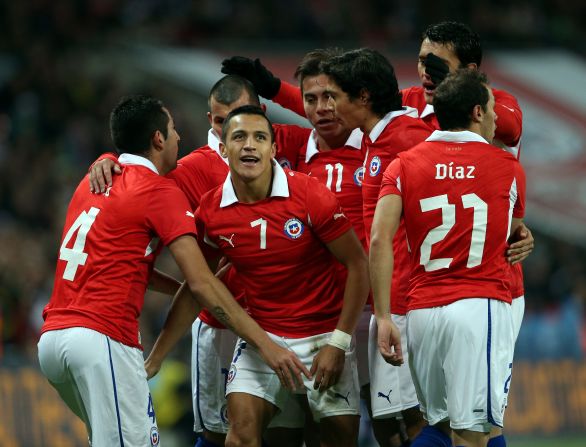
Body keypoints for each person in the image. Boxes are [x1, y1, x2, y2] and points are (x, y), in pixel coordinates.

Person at [37, 95, 308, 447]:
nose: (180, 137)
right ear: (158, 139)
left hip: (52, 341)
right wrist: (266, 346)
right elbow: (202, 283)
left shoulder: (92, 183)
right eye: (174, 129)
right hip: (101, 339)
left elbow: (125, 262)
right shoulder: (159, 190)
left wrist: (182, 287)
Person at [146, 105, 370, 447]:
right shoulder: (212, 210)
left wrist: (338, 342)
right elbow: (199, 284)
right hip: (261, 337)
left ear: (273, 149)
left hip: (322, 336)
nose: (250, 145)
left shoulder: (310, 195)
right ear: (223, 148)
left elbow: (357, 264)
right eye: (239, 137)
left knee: (335, 440)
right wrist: (156, 358)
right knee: (241, 438)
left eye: (259, 138)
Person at [370, 69, 526, 447]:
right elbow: (513, 233)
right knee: (474, 434)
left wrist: (385, 316)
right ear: (476, 112)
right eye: (491, 110)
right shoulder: (508, 168)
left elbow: (378, 239)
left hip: (422, 314)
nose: (495, 119)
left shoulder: (403, 164)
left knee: (437, 426)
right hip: (478, 307)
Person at [321, 48, 433, 446]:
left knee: (415, 420)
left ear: (363, 97)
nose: (328, 106)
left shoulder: (409, 140)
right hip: (383, 301)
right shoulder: (376, 138)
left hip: (404, 304)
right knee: (387, 421)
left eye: (335, 96)